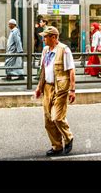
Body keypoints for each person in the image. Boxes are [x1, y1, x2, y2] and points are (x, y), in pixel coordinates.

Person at [34, 26, 75, 156]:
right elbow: (43, 70)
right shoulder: (45, 50)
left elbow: (71, 70)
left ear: (53, 37)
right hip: (47, 87)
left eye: (45, 36)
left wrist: (72, 90)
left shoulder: (64, 50)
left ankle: (68, 137)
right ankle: (57, 146)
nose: (43, 38)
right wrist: (39, 87)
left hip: (61, 88)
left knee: (56, 117)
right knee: (48, 120)